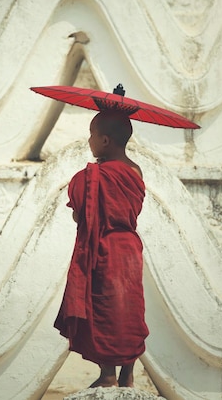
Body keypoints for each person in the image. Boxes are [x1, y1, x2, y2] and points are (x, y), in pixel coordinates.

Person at [54, 109, 149, 388]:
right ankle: (128, 374)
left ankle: (108, 374)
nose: (89, 140)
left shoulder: (91, 176)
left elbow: (80, 214)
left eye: (92, 134)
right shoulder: (135, 171)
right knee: (129, 307)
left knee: (105, 307)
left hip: (103, 249)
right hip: (130, 249)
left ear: (105, 140)